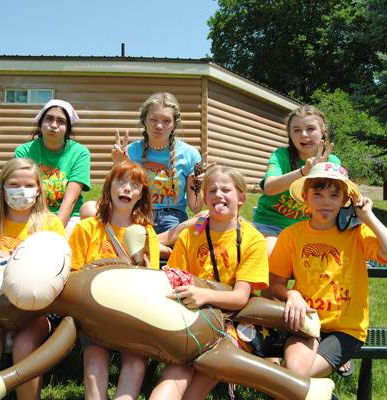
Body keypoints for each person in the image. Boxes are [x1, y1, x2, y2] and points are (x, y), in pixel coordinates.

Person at [269, 162, 387, 380]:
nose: (325, 202)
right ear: (305, 197)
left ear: (345, 200)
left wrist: (368, 217)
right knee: (293, 373)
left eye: (334, 196)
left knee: (293, 379)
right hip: (306, 322)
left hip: (346, 330)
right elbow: (276, 284)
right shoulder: (291, 235)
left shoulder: (357, 233)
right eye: (318, 194)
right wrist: (292, 294)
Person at [149, 165, 269, 400]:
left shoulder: (253, 239)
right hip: (191, 317)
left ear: (241, 198)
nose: (218, 195)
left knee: (201, 377)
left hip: (231, 322)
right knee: (176, 373)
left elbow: (240, 297)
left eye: (226, 190)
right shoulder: (190, 234)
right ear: (204, 199)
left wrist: (203, 295)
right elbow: (173, 279)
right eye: (212, 191)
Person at [0, 157, 66, 400]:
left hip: (36, 310)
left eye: (29, 185)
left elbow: (64, 273)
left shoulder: (49, 224)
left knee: (25, 347)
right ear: (3, 187)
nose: (22, 191)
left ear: (39, 190)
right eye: (14, 185)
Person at [69, 160, 160, 400]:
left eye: (135, 185)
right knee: (94, 364)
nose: (127, 188)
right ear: (109, 187)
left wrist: (146, 271)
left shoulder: (147, 233)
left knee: (135, 363)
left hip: (132, 315)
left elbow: (154, 285)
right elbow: (72, 277)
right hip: (94, 315)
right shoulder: (87, 228)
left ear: (141, 195)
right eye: (121, 181)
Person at [110, 92, 204, 237]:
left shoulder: (190, 154)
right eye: (153, 119)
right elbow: (114, 199)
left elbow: (196, 208)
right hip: (138, 215)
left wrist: (197, 184)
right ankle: (161, 245)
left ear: (174, 124)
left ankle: (154, 243)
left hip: (174, 221)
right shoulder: (129, 151)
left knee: (204, 218)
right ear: (144, 121)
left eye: (166, 121)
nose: (159, 126)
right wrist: (120, 166)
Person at [252, 105, 340, 256]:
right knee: (273, 256)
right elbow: (269, 188)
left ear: (322, 131)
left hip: (308, 229)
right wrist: (304, 172)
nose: (304, 135)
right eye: (297, 130)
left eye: (311, 128)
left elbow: (338, 200)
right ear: (290, 135)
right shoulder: (281, 155)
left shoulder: (332, 162)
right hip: (271, 226)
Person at [15, 99, 91, 236]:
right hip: (33, 214)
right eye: (49, 119)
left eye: (61, 121)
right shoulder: (24, 151)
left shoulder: (80, 153)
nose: (54, 125)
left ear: (67, 128)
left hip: (69, 216)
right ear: (40, 123)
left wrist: (55, 232)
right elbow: (22, 194)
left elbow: (71, 200)